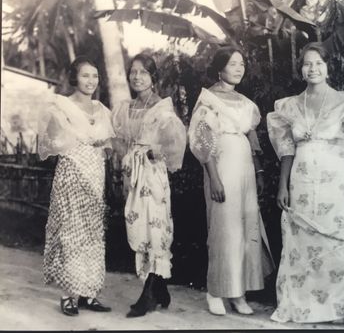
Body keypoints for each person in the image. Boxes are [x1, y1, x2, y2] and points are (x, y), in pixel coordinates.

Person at [267, 42, 344, 324]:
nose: (313, 69)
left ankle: (336, 306)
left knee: (336, 241)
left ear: (328, 67)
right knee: (301, 243)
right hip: (301, 182)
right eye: (307, 64)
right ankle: (301, 305)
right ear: (301, 69)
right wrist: (282, 186)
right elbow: (287, 150)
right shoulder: (290, 106)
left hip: (335, 182)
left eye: (318, 63)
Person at [188, 46, 274, 316]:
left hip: (246, 169)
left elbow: (252, 138)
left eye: (242, 64)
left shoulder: (246, 104)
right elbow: (202, 141)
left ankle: (239, 293)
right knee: (224, 229)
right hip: (222, 167)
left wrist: (259, 172)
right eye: (233, 63)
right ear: (220, 68)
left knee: (246, 228)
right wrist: (213, 177)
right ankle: (215, 290)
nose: (239, 68)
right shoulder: (208, 99)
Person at [38, 56, 115, 316]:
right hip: (71, 171)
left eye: (94, 76)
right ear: (75, 77)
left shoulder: (102, 110)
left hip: (95, 173)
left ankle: (88, 293)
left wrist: (101, 149)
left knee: (93, 232)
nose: (90, 81)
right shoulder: (61, 106)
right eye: (85, 75)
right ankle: (68, 295)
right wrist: (76, 142)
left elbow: (107, 145)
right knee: (71, 232)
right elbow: (51, 138)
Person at [111, 53, 186, 318]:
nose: (137, 77)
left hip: (153, 175)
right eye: (133, 72)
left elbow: (175, 141)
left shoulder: (161, 107)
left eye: (143, 72)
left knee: (155, 226)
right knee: (138, 226)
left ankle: (149, 293)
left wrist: (154, 152)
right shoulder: (125, 107)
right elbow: (117, 137)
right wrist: (127, 157)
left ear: (153, 78)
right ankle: (160, 287)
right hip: (134, 174)